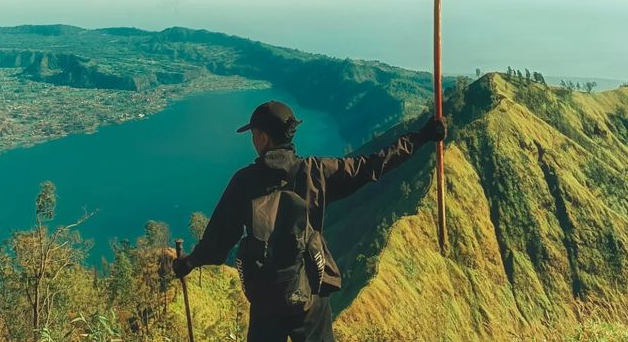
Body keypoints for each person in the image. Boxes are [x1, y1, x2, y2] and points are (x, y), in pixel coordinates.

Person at [172, 100, 447, 341]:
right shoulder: (316, 173)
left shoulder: (244, 182)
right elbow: (372, 166)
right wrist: (422, 136)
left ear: (264, 138)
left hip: (266, 298)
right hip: (310, 293)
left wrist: (189, 262)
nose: (253, 140)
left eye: (255, 134)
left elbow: (218, 241)